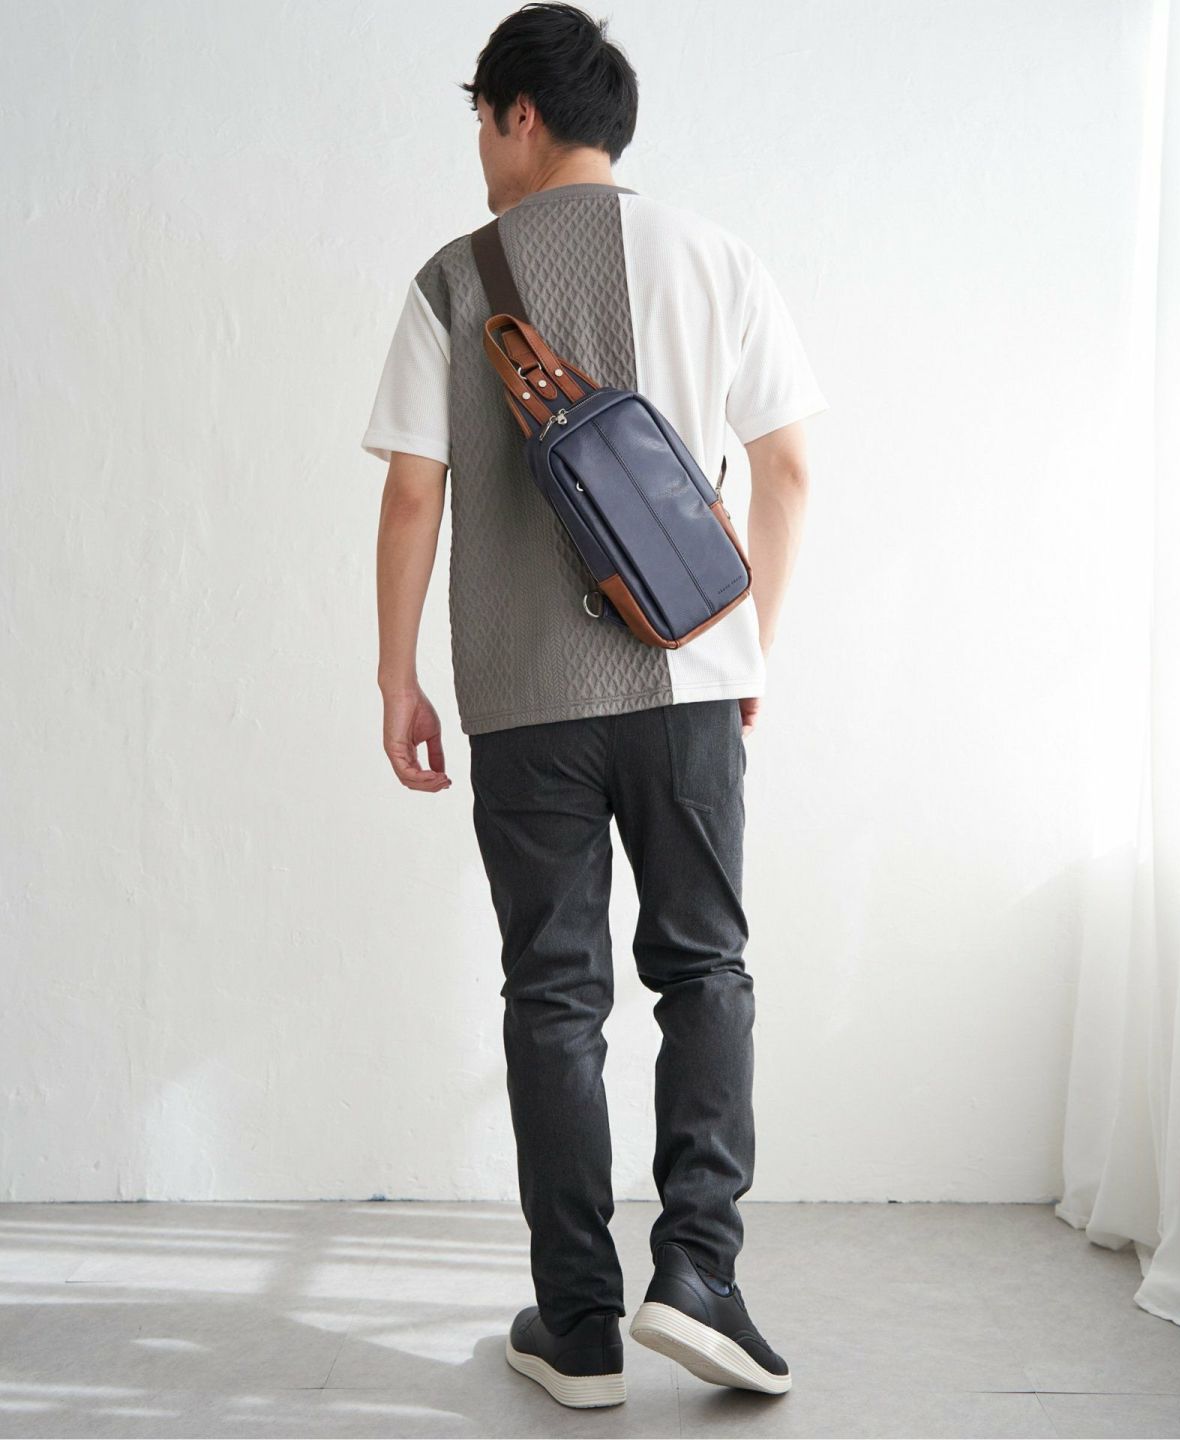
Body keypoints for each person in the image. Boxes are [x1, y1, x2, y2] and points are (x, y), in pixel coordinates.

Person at [361, 1, 826, 1410]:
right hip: (692, 684)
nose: (479, 152)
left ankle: (578, 1328)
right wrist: (747, 652)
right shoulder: (718, 256)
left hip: (523, 706)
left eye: (480, 122)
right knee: (706, 971)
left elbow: (412, 495)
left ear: (519, 114)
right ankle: (701, 1278)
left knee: (554, 998)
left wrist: (397, 675)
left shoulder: (454, 280)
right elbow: (789, 470)